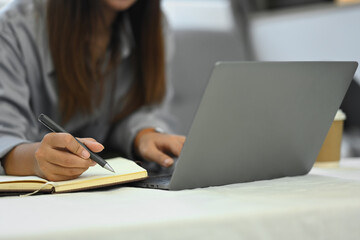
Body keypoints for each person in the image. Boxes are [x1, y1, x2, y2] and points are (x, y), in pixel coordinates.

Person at [0, 0, 185, 181]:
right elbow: (4, 137)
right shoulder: (14, 27)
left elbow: (139, 110)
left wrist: (144, 135)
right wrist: (35, 161)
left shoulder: (154, 25)